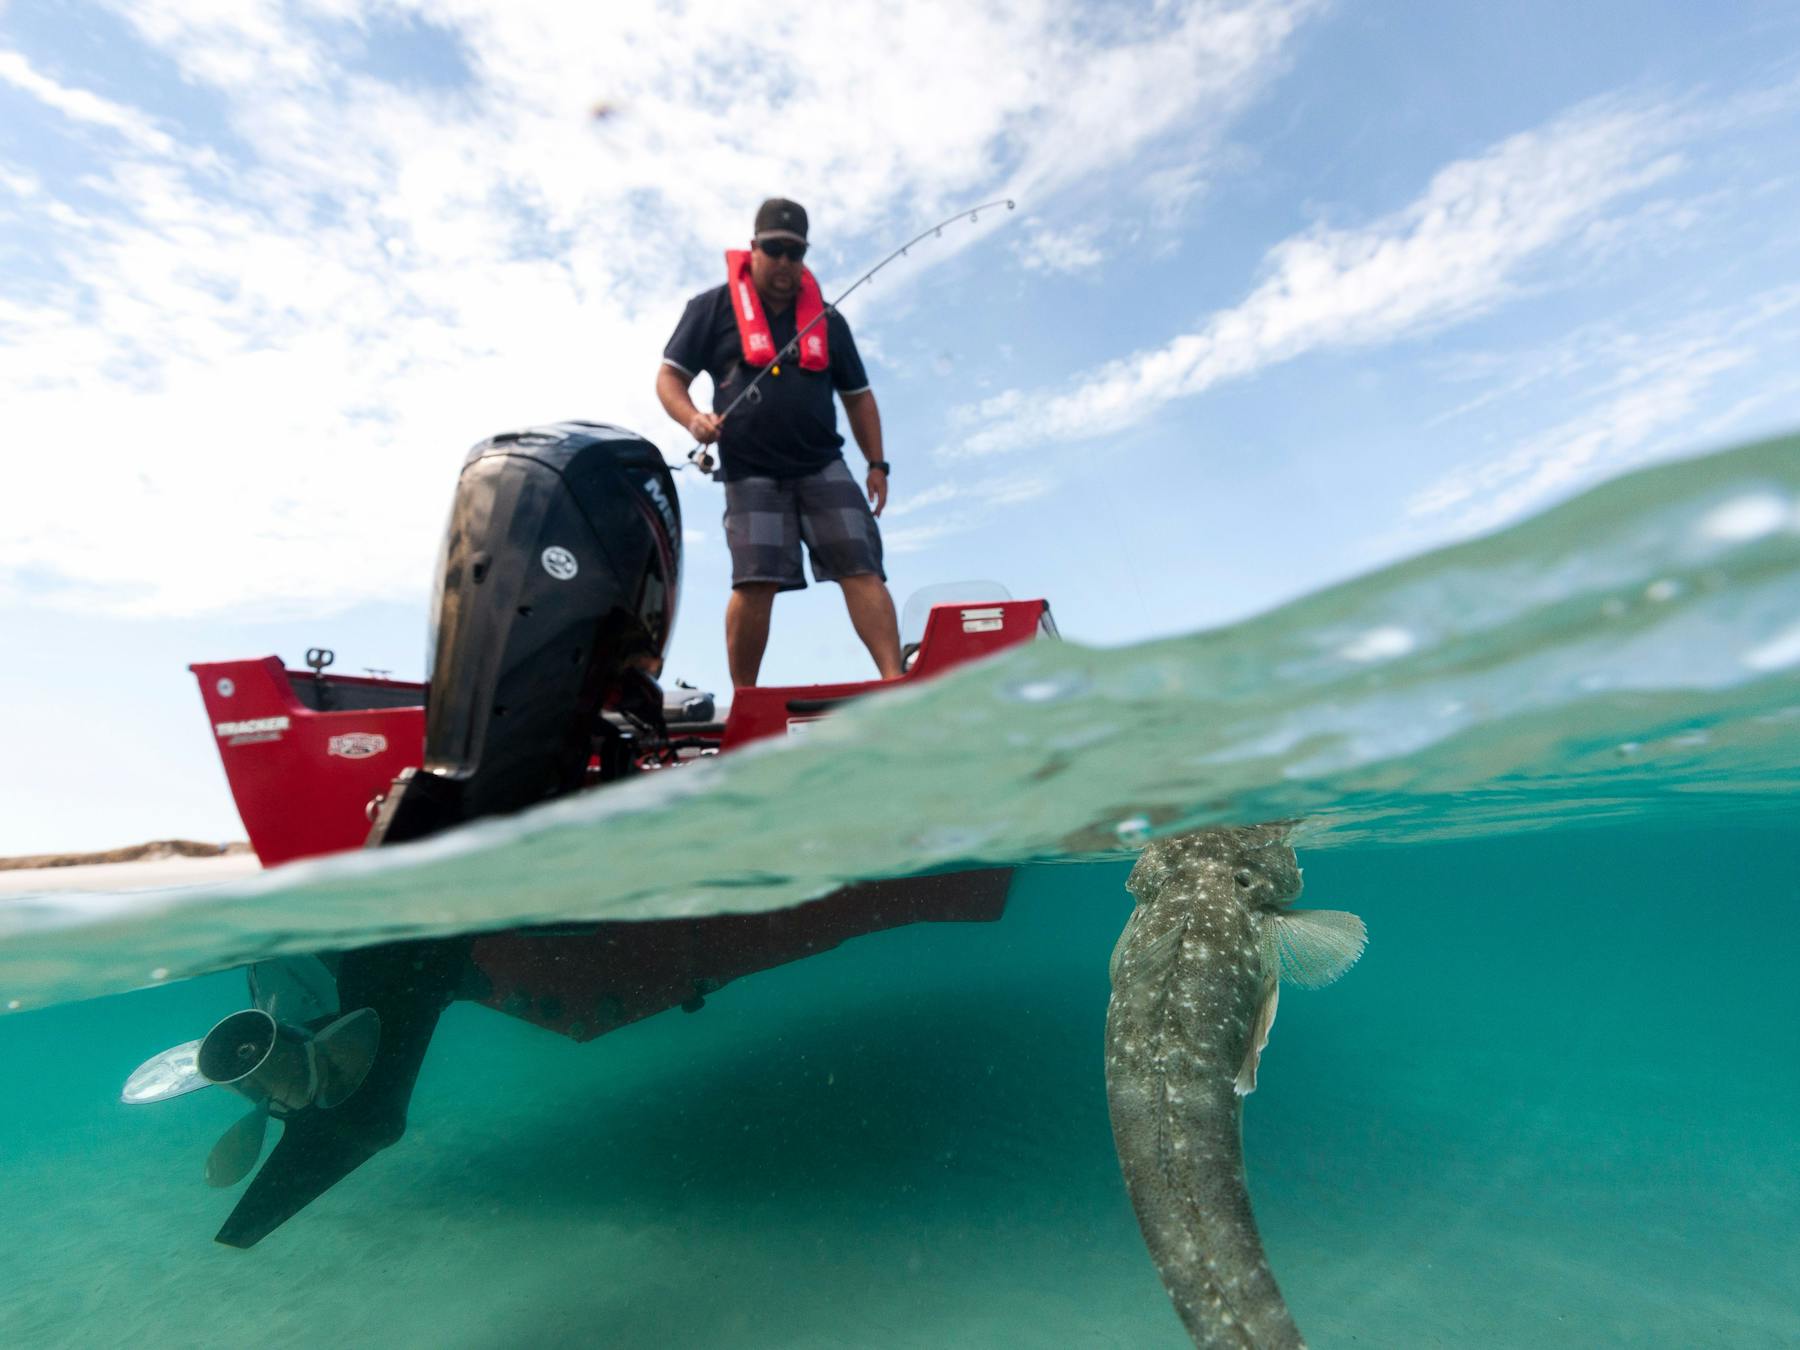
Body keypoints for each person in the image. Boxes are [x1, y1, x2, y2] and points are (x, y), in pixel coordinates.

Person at [656, 197, 902, 688]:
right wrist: (693, 421)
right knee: (755, 579)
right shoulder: (710, 308)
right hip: (750, 471)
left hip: (822, 464)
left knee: (861, 566)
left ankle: (895, 680)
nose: (786, 262)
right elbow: (668, 378)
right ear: (753, 249)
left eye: (796, 253)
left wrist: (877, 464)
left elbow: (859, 397)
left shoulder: (827, 320)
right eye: (775, 249)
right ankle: (746, 696)